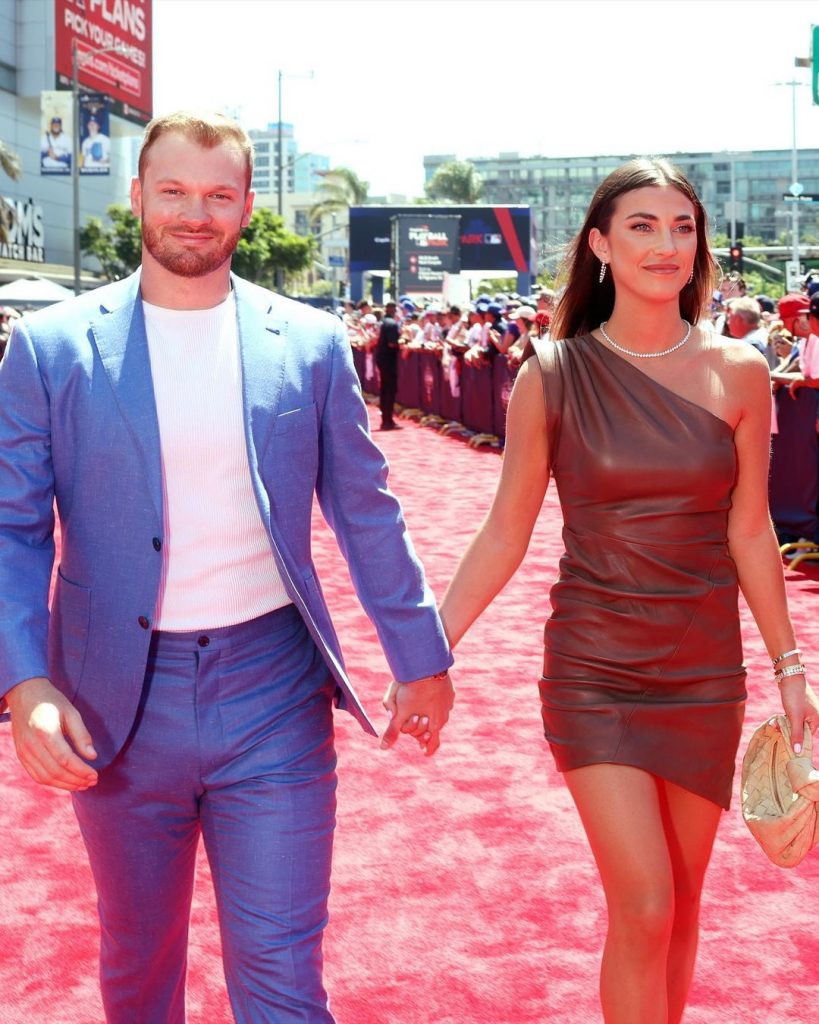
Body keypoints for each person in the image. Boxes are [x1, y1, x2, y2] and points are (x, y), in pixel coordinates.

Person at [0, 110, 454, 1024]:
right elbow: (12, 528)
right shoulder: (49, 347)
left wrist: (421, 655)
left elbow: (364, 512)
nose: (194, 213)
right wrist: (25, 682)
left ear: (246, 206)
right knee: (139, 963)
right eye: (172, 191)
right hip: (113, 703)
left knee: (284, 973)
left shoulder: (312, 343)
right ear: (138, 197)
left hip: (272, 692)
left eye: (217, 195)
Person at [435, 158, 818, 1024]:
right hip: (592, 670)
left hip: (703, 670)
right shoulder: (552, 373)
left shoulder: (740, 373)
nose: (666, 244)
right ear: (600, 245)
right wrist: (432, 642)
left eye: (681, 227)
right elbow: (504, 530)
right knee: (642, 902)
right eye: (641, 226)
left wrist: (789, 670)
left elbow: (750, 529)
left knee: (680, 906)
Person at [375, 299, 402, 429]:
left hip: (382, 360)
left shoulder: (383, 323)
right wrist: (402, 343)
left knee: (384, 390)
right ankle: (388, 421)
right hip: (389, 361)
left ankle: (386, 420)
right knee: (389, 390)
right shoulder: (392, 324)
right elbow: (392, 343)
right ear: (393, 310)